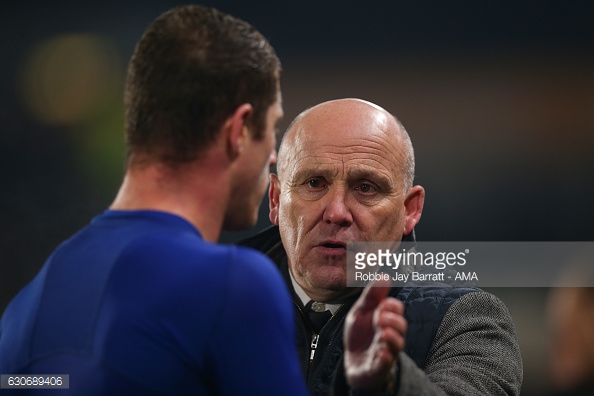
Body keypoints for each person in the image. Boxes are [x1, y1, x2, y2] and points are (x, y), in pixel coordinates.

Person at [0, 5, 307, 395]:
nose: (274, 156)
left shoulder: (25, 308)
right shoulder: (235, 285)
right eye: (273, 128)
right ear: (240, 131)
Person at [239, 98, 524, 395]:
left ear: (409, 211)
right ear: (275, 199)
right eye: (314, 183)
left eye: (366, 187)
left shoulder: (464, 321)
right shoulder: (215, 301)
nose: (336, 212)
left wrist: (389, 383)